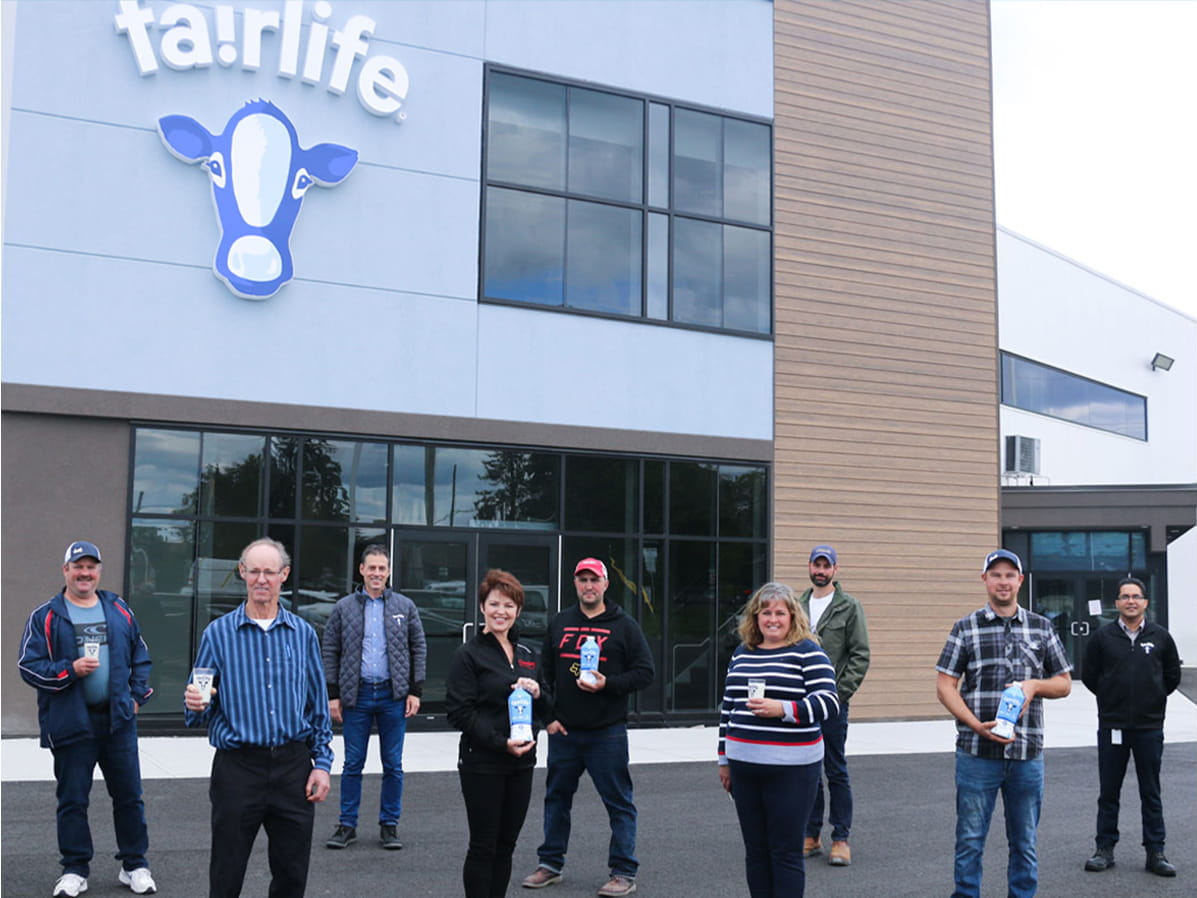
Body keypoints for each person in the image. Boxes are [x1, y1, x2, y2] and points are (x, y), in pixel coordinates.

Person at [183, 537, 334, 898]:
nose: (261, 579)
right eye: (254, 571)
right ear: (242, 573)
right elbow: (197, 706)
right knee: (227, 872)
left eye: (270, 572)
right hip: (238, 770)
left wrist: (323, 763)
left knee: (291, 874)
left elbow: (318, 707)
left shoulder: (303, 635)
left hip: (293, 767)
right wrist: (195, 705)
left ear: (284, 575)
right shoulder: (218, 634)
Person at [17, 540, 157, 898]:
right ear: (66, 571)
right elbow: (29, 667)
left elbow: (141, 655)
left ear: (99, 572)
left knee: (129, 797)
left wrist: (137, 698)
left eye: (91, 566)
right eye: (78, 566)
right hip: (71, 722)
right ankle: (75, 869)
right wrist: (70, 670)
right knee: (73, 800)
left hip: (118, 722)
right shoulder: (47, 615)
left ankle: (134, 865)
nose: (85, 573)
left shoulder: (118, 610)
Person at [935, 549, 1072, 898]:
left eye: (1010, 575)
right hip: (976, 752)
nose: (1003, 581)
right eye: (995, 574)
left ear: (1020, 581)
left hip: (1027, 755)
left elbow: (1064, 683)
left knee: (1024, 841)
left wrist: (1034, 685)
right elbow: (945, 684)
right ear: (985, 580)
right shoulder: (965, 627)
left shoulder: (1041, 628)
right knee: (969, 840)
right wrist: (973, 723)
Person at [521, 558, 654, 897]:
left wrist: (608, 683)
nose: (588, 586)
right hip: (565, 732)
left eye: (594, 580)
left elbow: (645, 672)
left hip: (606, 732)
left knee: (618, 803)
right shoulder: (561, 622)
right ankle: (550, 864)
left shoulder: (624, 626)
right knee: (556, 799)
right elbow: (545, 675)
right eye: (582, 580)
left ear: (606, 584)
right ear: (575, 584)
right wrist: (547, 717)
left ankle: (623, 871)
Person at [718, 582, 840, 898]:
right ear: (755, 618)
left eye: (779, 613)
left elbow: (829, 703)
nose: (772, 619)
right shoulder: (743, 653)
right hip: (744, 767)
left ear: (792, 616)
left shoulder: (808, 652)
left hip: (793, 770)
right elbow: (728, 708)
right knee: (756, 851)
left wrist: (782, 709)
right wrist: (724, 760)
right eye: (765, 612)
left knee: (785, 852)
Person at [446, 569, 547, 898]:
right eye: (494, 604)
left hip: (522, 762)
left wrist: (538, 693)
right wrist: (501, 743)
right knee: (483, 846)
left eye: (508, 605)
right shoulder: (469, 654)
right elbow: (460, 713)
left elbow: (547, 708)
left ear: (518, 610)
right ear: (482, 608)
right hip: (483, 763)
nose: (500, 611)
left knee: (506, 846)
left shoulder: (529, 654)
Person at [321, 544, 427, 850]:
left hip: (393, 695)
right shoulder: (344, 608)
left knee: (393, 764)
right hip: (358, 696)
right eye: (372, 568)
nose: (377, 573)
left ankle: (389, 825)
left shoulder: (405, 607)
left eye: (382, 568)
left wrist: (415, 690)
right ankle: (346, 825)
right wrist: (333, 694)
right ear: (362, 570)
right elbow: (330, 650)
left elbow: (418, 647)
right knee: (353, 763)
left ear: (389, 571)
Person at [1081, 576, 1181, 877]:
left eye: (1136, 596)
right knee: (1109, 790)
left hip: (1149, 727)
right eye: (1124, 597)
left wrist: (1152, 699)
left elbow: (1172, 675)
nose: (1130, 601)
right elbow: (1090, 675)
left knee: (1151, 791)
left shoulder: (1161, 637)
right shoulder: (1102, 637)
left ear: (1145, 602)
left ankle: (1156, 852)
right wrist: (1112, 697)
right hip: (1113, 725)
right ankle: (1104, 849)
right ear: (1117, 603)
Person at [797, 545, 869, 867]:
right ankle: (811, 835)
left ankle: (841, 838)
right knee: (808, 771)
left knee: (835, 770)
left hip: (833, 705)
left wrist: (839, 695)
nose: (821, 570)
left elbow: (860, 655)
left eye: (827, 566)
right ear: (810, 567)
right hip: (800, 705)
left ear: (835, 570)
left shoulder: (849, 607)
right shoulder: (797, 605)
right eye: (817, 564)